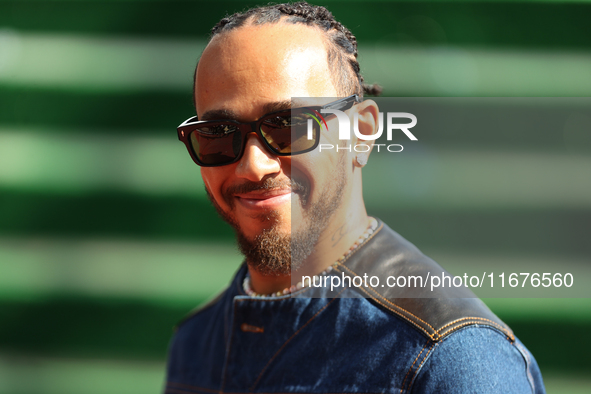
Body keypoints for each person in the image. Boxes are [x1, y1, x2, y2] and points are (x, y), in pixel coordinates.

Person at [165, 2, 545, 393]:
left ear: (361, 133)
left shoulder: (449, 358)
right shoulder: (195, 340)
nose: (252, 166)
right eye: (218, 132)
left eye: (290, 126)